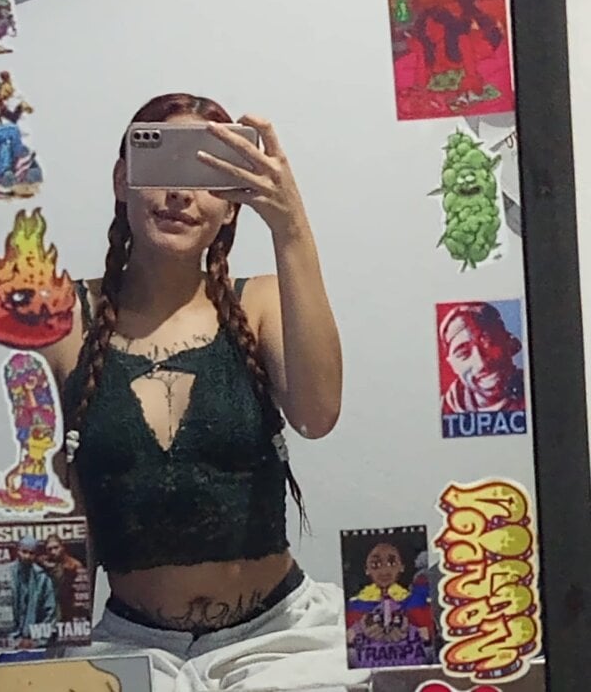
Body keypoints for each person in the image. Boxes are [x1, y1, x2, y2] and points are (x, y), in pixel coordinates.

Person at [39, 93, 367, 691]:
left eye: (205, 175)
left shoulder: (258, 303)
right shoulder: (64, 319)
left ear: (232, 204)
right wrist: (49, 649)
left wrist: (290, 223)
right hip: (130, 645)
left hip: (282, 641)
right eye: (163, 166)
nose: (180, 193)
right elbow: (57, 504)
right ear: (122, 180)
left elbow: (318, 415)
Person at [439, 301, 525, 414]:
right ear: (453, 365)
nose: (481, 363)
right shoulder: (443, 409)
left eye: (489, 343)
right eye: (464, 353)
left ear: (508, 343)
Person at [10, 535, 59, 649]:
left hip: (36, 644)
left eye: (31, 553)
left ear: (36, 555)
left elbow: (50, 613)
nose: (27, 556)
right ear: (18, 551)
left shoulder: (43, 579)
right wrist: (15, 640)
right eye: (24, 552)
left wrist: (37, 641)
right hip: (9, 643)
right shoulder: (6, 574)